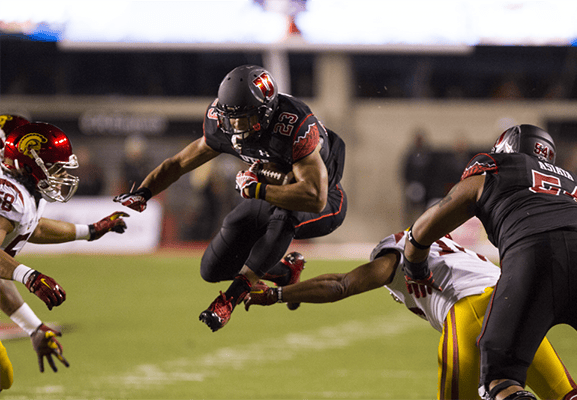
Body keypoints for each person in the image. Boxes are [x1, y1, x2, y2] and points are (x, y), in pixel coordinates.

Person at [114, 64, 347, 332]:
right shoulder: (224, 123)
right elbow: (179, 163)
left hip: (326, 202)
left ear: (267, 112)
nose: (235, 124)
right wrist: (144, 192)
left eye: (244, 117)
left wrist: (257, 189)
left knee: (284, 216)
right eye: (230, 116)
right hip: (268, 198)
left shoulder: (292, 125)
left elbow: (314, 196)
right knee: (212, 268)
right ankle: (284, 272)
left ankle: (230, 299)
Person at [244, 231, 577, 400]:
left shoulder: (396, 252)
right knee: (568, 395)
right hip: (516, 304)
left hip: (472, 311)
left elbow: (341, 284)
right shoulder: (456, 252)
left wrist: (277, 294)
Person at [399, 125, 577, 400]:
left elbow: (424, 229)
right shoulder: (574, 183)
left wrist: (415, 265)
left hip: (533, 252)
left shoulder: (496, 165)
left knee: (500, 378)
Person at [0, 121, 129, 391]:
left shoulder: (25, 195)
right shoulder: (8, 194)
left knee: (2, 377)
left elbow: (31, 227)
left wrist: (90, 231)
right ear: (28, 164)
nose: (60, 174)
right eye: (55, 167)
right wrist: (30, 277)